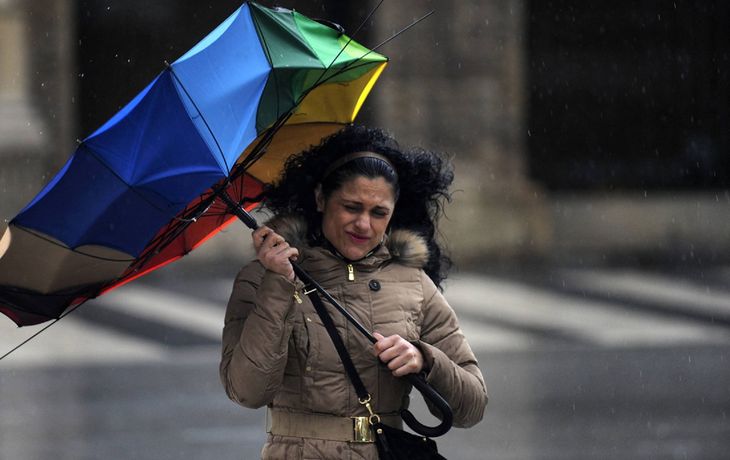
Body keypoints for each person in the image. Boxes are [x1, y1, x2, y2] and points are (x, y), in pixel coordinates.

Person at [220, 125, 487, 459]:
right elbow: (246, 391)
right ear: (320, 199)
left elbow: (471, 407)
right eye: (351, 207)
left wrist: (424, 359)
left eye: (378, 213)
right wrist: (277, 283)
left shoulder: (414, 283)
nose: (364, 224)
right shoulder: (260, 279)